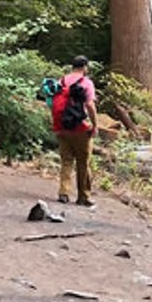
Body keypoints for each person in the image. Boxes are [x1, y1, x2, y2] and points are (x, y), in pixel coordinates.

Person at [50, 56, 97, 207]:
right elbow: (89, 105)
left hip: (62, 126)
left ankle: (64, 193)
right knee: (83, 162)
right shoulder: (86, 83)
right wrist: (95, 125)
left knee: (66, 161)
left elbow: (52, 103)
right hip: (79, 127)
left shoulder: (61, 81)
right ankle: (84, 196)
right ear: (85, 67)